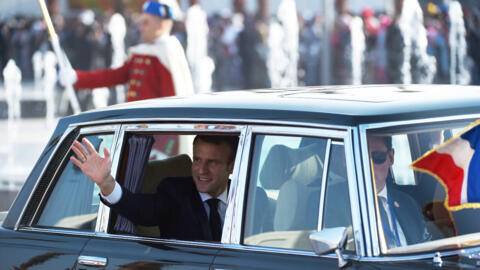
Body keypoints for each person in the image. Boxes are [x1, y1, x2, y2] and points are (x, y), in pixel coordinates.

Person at [70, 135, 238, 242]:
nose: (201, 170)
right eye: (197, 160)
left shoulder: (252, 198)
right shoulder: (175, 193)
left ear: (231, 167)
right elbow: (140, 209)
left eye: (212, 162)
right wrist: (106, 183)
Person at [60, 0, 194, 102]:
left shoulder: (168, 52)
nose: (140, 27)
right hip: (136, 128)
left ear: (160, 25)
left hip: (155, 133)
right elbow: (113, 76)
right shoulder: (143, 52)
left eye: (146, 23)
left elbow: (171, 103)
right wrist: (77, 78)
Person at [368, 135, 430, 249]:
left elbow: (426, 247)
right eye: (360, 157)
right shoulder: (331, 208)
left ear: (391, 157)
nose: (369, 165)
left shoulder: (408, 203)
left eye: (377, 157)